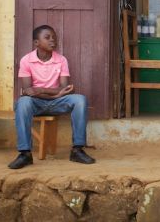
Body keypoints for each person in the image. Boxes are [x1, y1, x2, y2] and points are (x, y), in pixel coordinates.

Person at [8, 25, 96, 169]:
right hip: (36, 103)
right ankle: (25, 154)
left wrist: (41, 89)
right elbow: (28, 91)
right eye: (47, 38)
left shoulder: (61, 60)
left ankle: (77, 150)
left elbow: (64, 88)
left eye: (54, 37)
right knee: (23, 102)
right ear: (36, 43)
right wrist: (54, 93)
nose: (52, 41)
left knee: (80, 100)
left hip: (57, 103)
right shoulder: (26, 60)